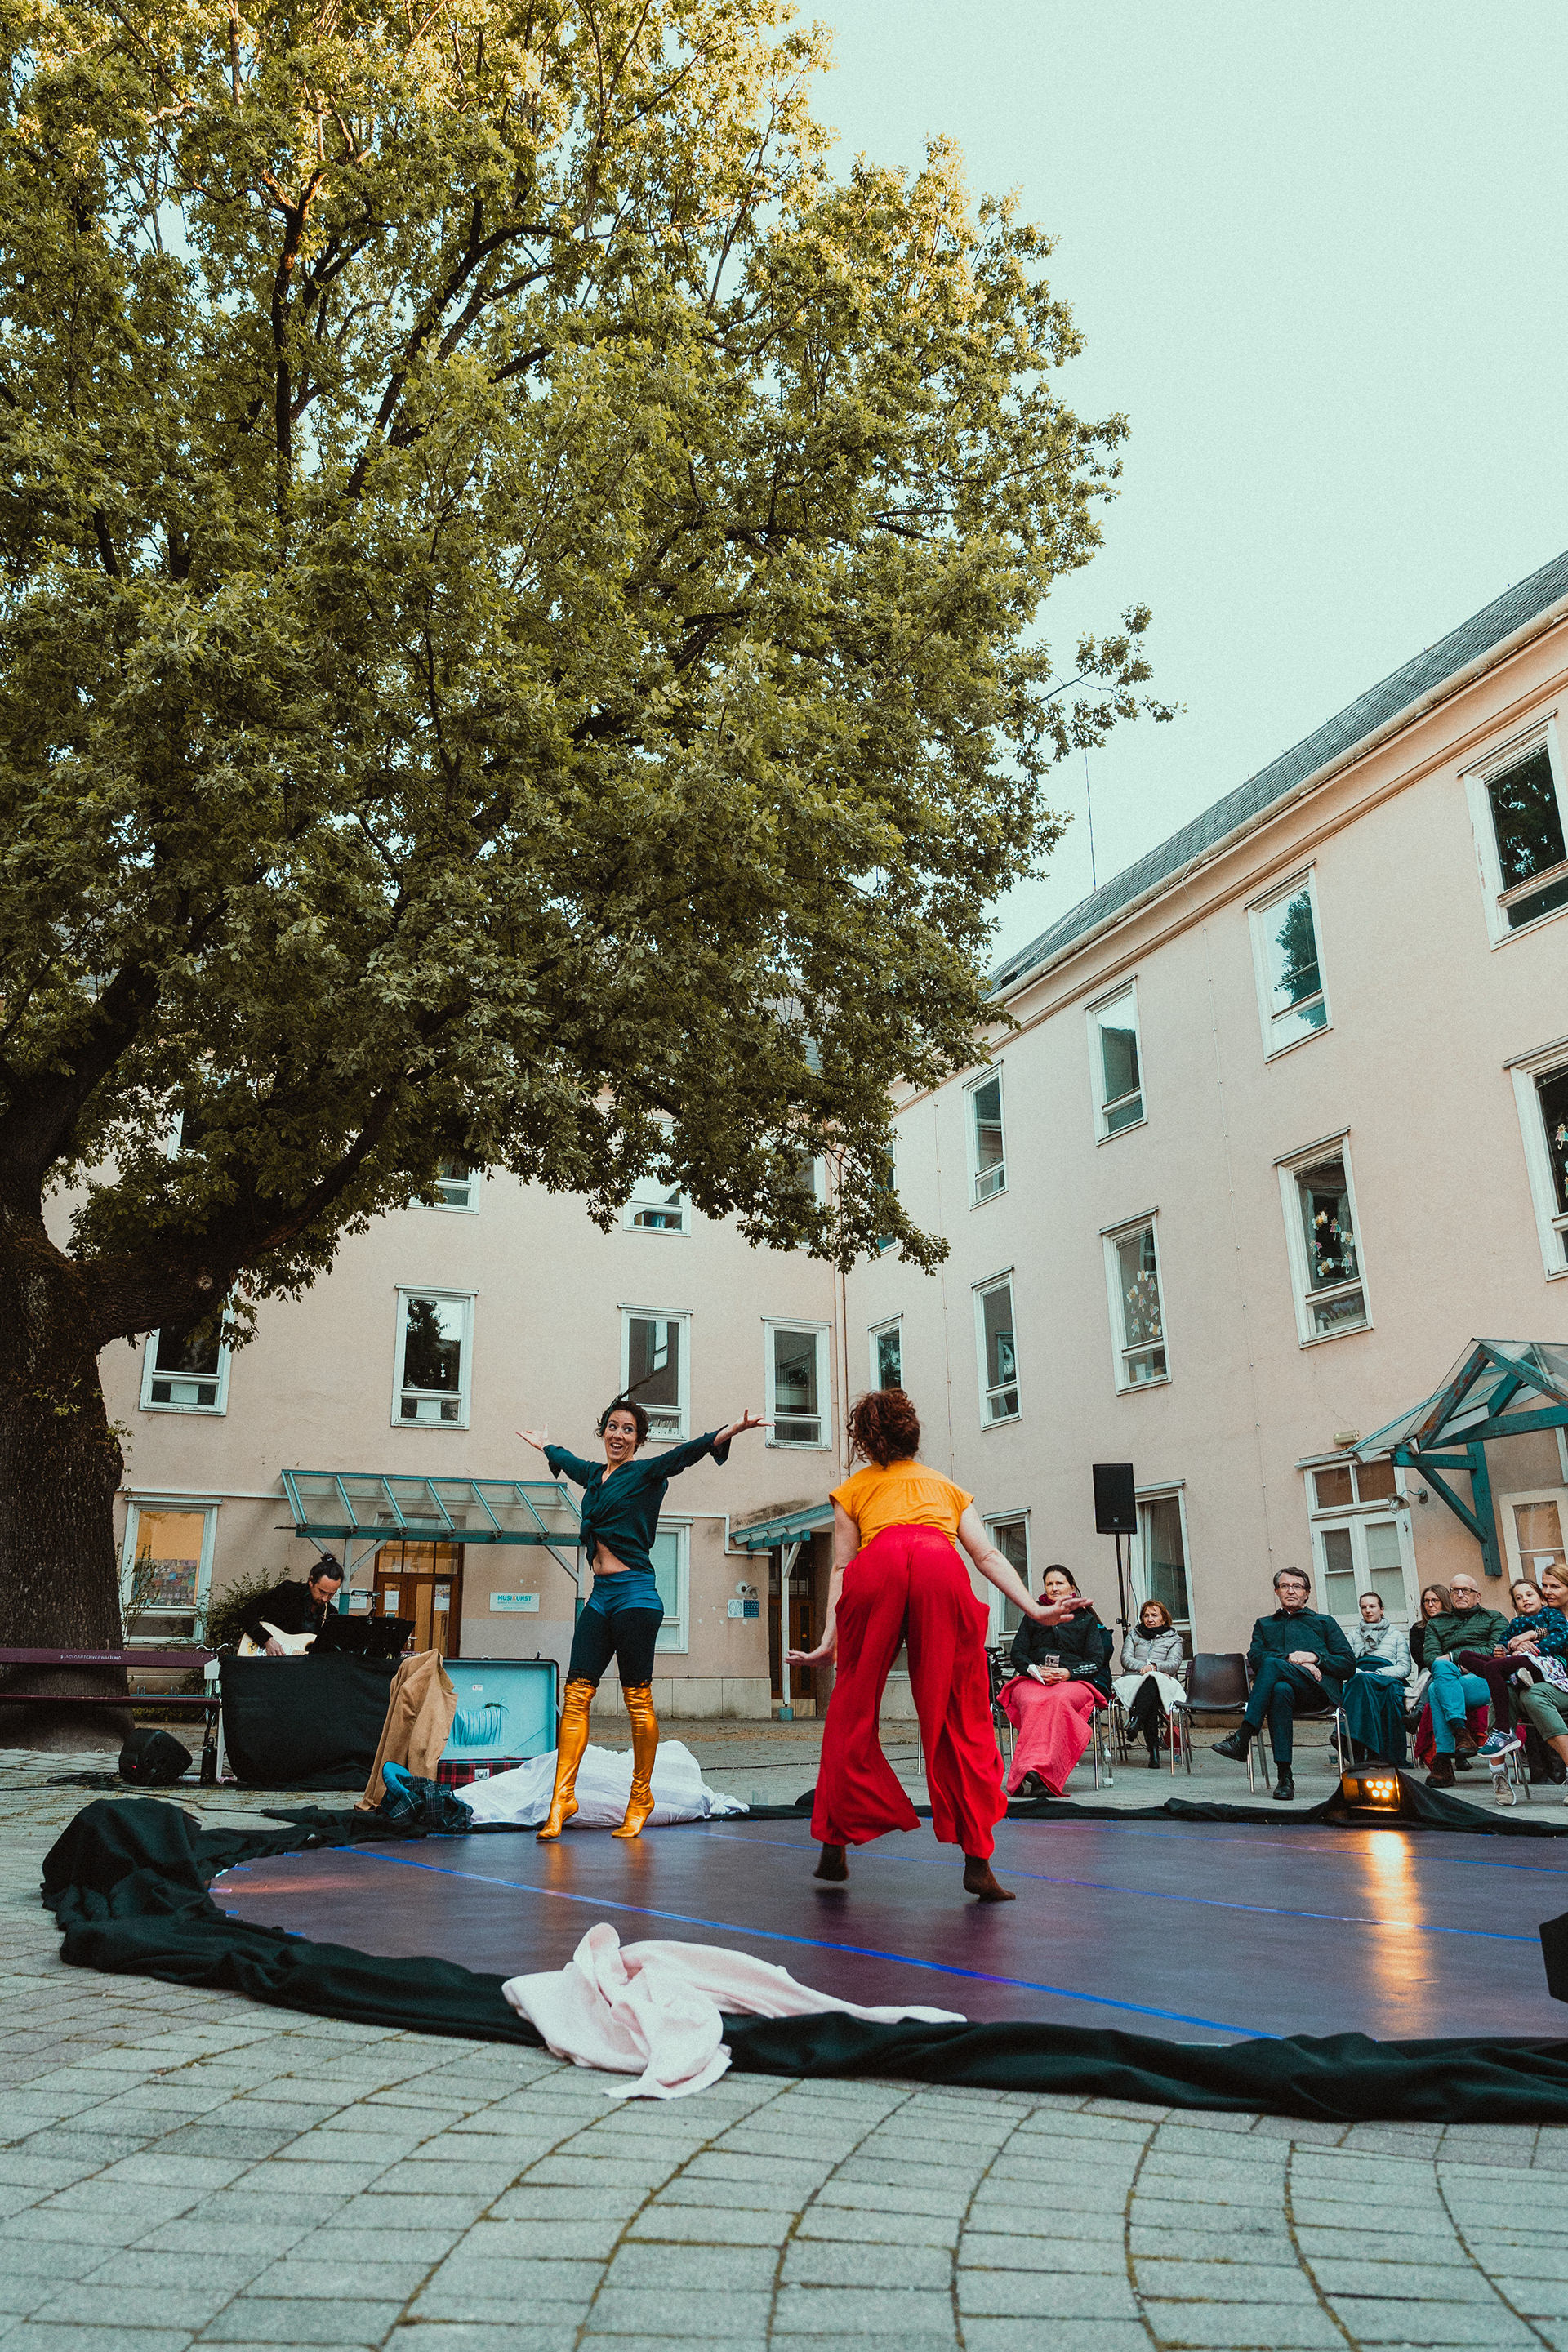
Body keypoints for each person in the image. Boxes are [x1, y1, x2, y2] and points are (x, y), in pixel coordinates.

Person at [784, 1387, 1087, 1903]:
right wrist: (1034, 1609)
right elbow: (986, 1555)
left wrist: (830, 1643)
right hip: (937, 1565)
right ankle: (978, 1861)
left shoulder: (853, 1489)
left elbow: (841, 1567)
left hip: (878, 1566)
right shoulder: (946, 1487)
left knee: (852, 1706)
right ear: (912, 1435)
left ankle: (834, 1843)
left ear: (866, 1441)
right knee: (960, 1713)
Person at [518, 1396, 764, 1839]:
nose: (619, 1435)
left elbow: (686, 1453)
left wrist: (730, 1431)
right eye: (613, 1427)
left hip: (635, 1597)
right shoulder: (594, 1476)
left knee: (637, 1700)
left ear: (638, 1439)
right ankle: (562, 1798)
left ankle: (641, 1797)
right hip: (600, 1598)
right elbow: (568, 1462)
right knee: (576, 1696)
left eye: (628, 1429)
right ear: (604, 1432)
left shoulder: (646, 1473)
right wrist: (545, 1445)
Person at [1211, 1567, 1355, 1801]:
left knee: (1272, 1664)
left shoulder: (1324, 1622)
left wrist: (1314, 1658)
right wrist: (1291, 1659)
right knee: (1280, 1689)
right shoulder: (1265, 1624)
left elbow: (1348, 1664)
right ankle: (1285, 1778)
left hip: (1317, 1692)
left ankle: (1243, 1736)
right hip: (1284, 1695)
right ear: (1276, 1591)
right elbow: (1256, 1659)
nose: (1291, 1591)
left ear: (1307, 1593)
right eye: (1285, 1586)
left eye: (1297, 1586)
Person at [1002, 1569, 1115, 1794]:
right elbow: (1018, 1654)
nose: (1054, 1588)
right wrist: (1035, 1671)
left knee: (1057, 1700)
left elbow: (1096, 1661)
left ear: (1072, 1587)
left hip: (1074, 1681)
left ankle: (1032, 1770)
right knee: (1033, 1702)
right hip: (1034, 1679)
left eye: (1059, 1583)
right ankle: (1039, 1774)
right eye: (1049, 1583)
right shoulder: (1034, 1615)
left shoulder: (1086, 1620)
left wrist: (1068, 1673)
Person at [1419, 1573, 1512, 1786]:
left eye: (1466, 1590)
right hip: (1450, 1678)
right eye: (1455, 1590)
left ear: (1478, 1596)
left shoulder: (1494, 1618)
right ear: (1450, 1595)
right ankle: (1461, 1735)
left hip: (1486, 1678)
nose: (1460, 1594)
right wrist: (1453, 1665)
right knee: (1439, 1676)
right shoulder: (1437, 1623)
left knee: (1436, 1689)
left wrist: (1455, 1658)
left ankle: (1444, 1761)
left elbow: (1494, 1652)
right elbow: (1430, 1658)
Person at [1113, 1598, 1189, 1768]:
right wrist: (1144, 1667)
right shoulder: (1134, 1635)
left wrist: (1154, 1667)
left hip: (1163, 1683)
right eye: (1146, 1615)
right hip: (1134, 1680)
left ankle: (1137, 1721)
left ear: (1164, 1618)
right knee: (1150, 1699)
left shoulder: (1174, 1639)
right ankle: (1152, 1750)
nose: (1150, 1619)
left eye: (1154, 1615)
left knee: (1153, 1680)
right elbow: (1126, 1659)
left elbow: (1174, 1663)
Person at [1339, 1592, 1410, 1765]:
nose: (1368, 1611)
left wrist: (1379, 1673)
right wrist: (1361, 1673)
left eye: (1372, 1606)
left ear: (1382, 1609)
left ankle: (1346, 1735)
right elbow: (1346, 1664)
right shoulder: (1353, 1635)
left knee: (1365, 1684)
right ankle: (1365, 1747)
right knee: (1360, 1682)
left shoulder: (1396, 1635)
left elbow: (1405, 1668)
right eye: (1364, 1607)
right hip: (1360, 1677)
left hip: (1387, 1679)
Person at [238, 1555, 344, 1654]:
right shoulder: (288, 1592)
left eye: (331, 1594)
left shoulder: (330, 1613)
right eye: (322, 1591)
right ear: (311, 1581)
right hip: (267, 1660)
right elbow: (245, 1614)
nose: (325, 1598)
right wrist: (266, 1640)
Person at [1407, 1583, 1450, 1708]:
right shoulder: (1417, 1629)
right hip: (1427, 1671)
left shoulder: (1455, 1625)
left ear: (1444, 1602)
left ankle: (1420, 1709)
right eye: (1426, 1601)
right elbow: (1420, 1659)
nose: (1430, 1605)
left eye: (1435, 1600)